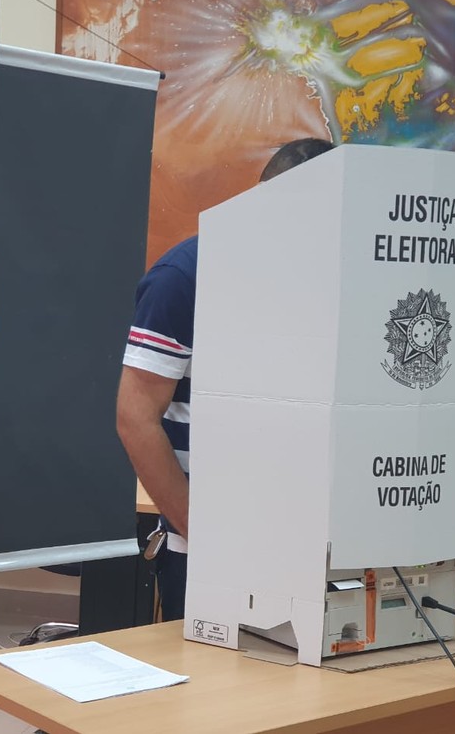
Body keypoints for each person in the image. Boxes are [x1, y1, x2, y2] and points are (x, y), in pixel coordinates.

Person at [116, 138, 335, 621]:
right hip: (208, 550)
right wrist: (201, 529)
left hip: (301, 540)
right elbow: (135, 418)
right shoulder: (184, 278)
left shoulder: (321, 275)